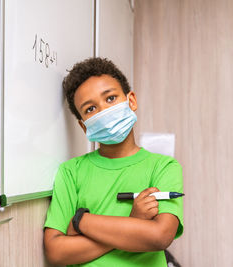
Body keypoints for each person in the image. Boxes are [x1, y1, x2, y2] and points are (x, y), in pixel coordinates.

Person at [43, 57, 184, 266]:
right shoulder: (71, 172)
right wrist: (133, 224)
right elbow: (56, 252)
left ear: (131, 101)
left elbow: (160, 236)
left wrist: (81, 221)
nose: (103, 111)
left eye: (110, 99)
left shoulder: (163, 167)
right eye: (90, 109)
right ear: (84, 127)